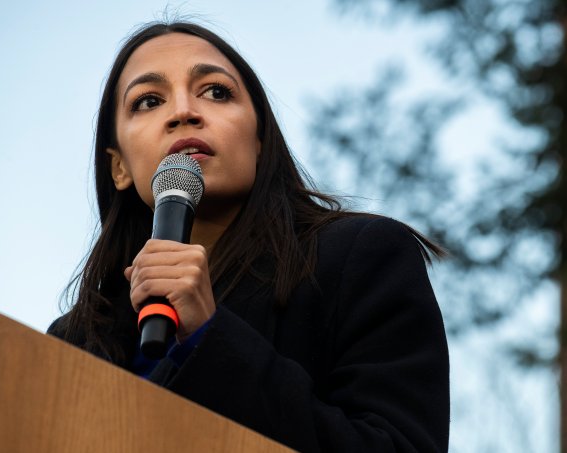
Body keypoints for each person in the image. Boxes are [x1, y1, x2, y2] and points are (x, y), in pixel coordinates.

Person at [48, 20, 450, 452]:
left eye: (216, 92)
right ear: (119, 167)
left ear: (259, 139)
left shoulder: (361, 256)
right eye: (148, 101)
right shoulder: (74, 342)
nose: (183, 111)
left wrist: (210, 339)